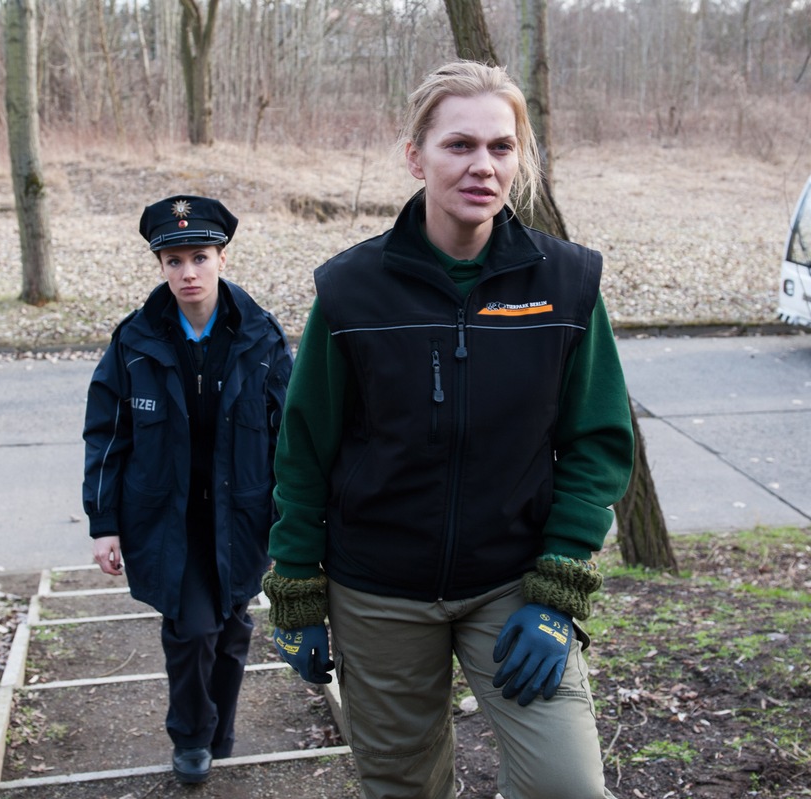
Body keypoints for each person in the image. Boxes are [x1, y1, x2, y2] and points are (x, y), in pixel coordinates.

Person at [263, 60, 635, 799]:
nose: (482, 166)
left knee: (568, 787)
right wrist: (298, 586)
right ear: (416, 157)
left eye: (502, 147)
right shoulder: (351, 290)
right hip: (380, 593)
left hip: (513, 583)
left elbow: (597, 440)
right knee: (404, 789)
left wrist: (558, 589)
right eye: (459, 144)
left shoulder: (565, 285)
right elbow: (305, 447)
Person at [82, 195, 292, 784]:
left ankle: (218, 730)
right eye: (173, 261)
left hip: (243, 514)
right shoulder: (136, 342)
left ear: (222, 256)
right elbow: (107, 435)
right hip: (166, 518)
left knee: (232, 626)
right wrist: (104, 524)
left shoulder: (261, 338)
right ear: (160, 266)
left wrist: (298, 516)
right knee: (191, 627)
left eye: (199, 256)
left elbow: (291, 438)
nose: (188, 272)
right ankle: (192, 738)